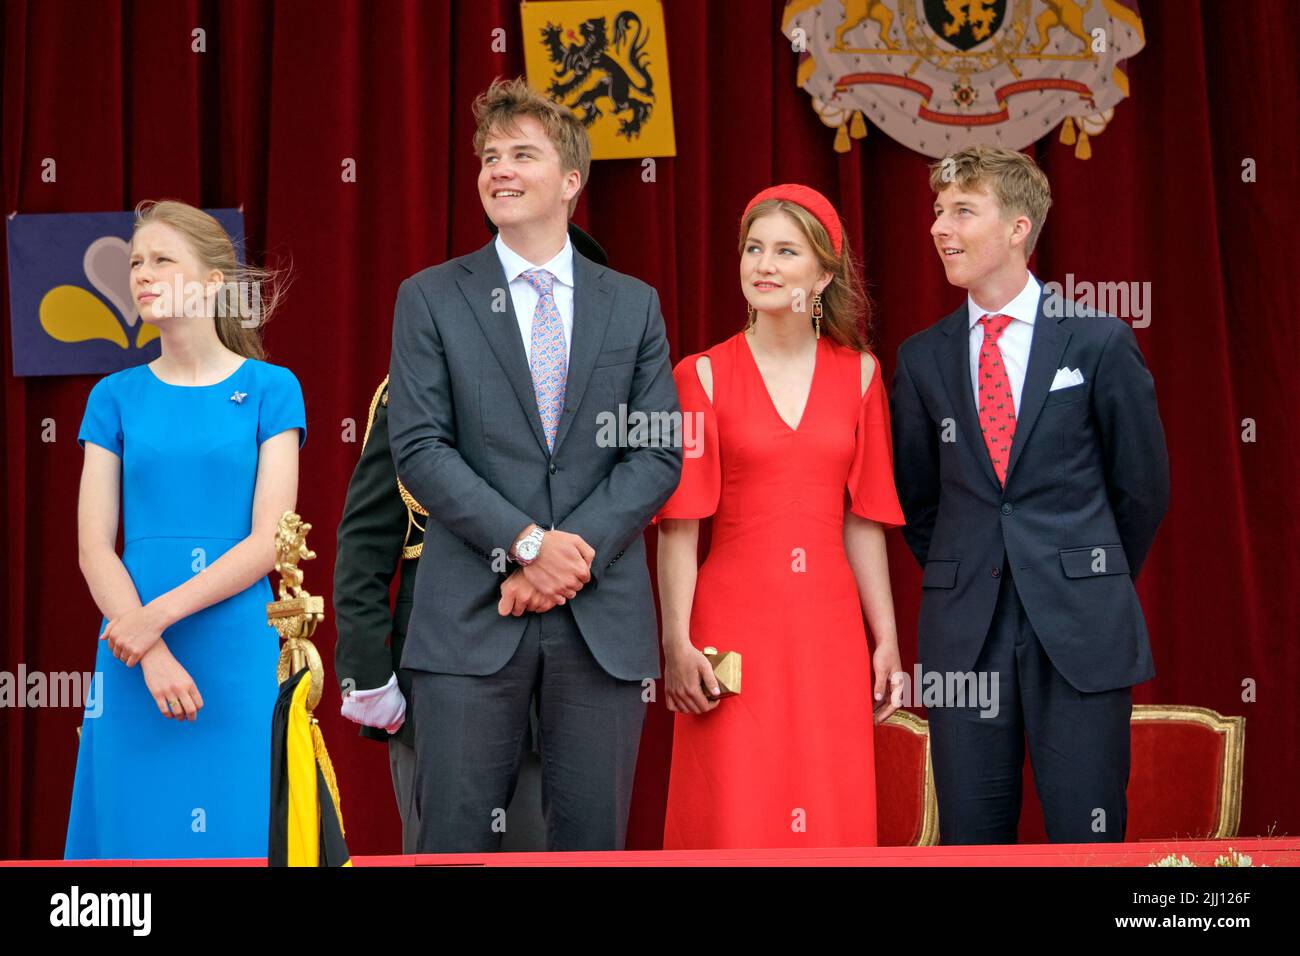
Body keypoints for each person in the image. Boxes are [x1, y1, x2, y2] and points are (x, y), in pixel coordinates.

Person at [385, 77, 682, 852]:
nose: (500, 170)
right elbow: (420, 450)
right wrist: (525, 543)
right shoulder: (430, 298)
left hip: (600, 625)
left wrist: (565, 557)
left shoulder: (634, 304)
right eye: (489, 157)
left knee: (590, 846)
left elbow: (655, 451)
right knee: (451, 840)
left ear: (573, 181)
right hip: (466, 621)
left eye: (522, 153)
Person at [890, 145, 1169, 844]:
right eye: (935, 212)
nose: (938, 227)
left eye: (961, 210)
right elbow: (916, 500)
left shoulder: (1099, 340)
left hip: (1080, 625)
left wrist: (1086, 572)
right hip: (966, 633)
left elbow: (1143, 488)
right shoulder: (921, 358)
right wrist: (970, 568)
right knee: (971, 840)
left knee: (1088, 837)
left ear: (1018, 227)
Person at [332, 219, 615, 854]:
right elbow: (367, 541)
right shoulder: (424, 386)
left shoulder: (608, 390)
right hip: (446, 647)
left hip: (577, 648)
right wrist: (368, 674)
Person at [656, 184, 906, 849]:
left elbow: (864, 519)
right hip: (731, 624)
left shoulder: (861, 376)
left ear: (822, 274)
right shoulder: (700, 376)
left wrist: (885, 636)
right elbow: (680, 526)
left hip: (828, 627)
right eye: (753, 248)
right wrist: (676, 642)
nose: (762, 264)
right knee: (735, 810)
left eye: (785, 251)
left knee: (828, 805)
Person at [67, 200, 306, 859]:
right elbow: (94, 548)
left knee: (238, 833)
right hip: (131, 656)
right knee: (132, 842)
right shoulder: (112, 397)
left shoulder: (271, 389)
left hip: (234, 652)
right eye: (136, 262)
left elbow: (266, 543)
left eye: (163, 260)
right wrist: (148, 649)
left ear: (212, 280)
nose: (142, 274)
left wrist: (154, 622)